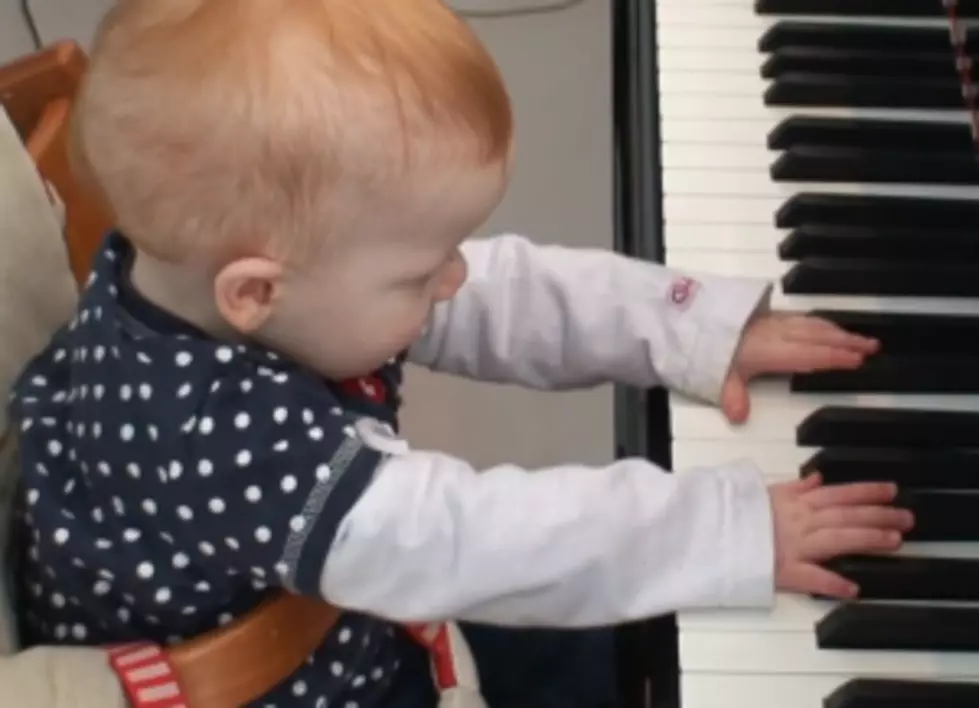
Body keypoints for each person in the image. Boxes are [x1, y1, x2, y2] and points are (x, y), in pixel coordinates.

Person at [8, 1, 912, 706]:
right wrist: (729, 528)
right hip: (301, 686)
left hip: (339, 602)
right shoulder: (216, 442)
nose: (450, 280)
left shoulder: (213, 274)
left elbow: (494, 291)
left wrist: (686, 329)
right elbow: (475, 540)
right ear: (254, 292)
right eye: (416, 270)